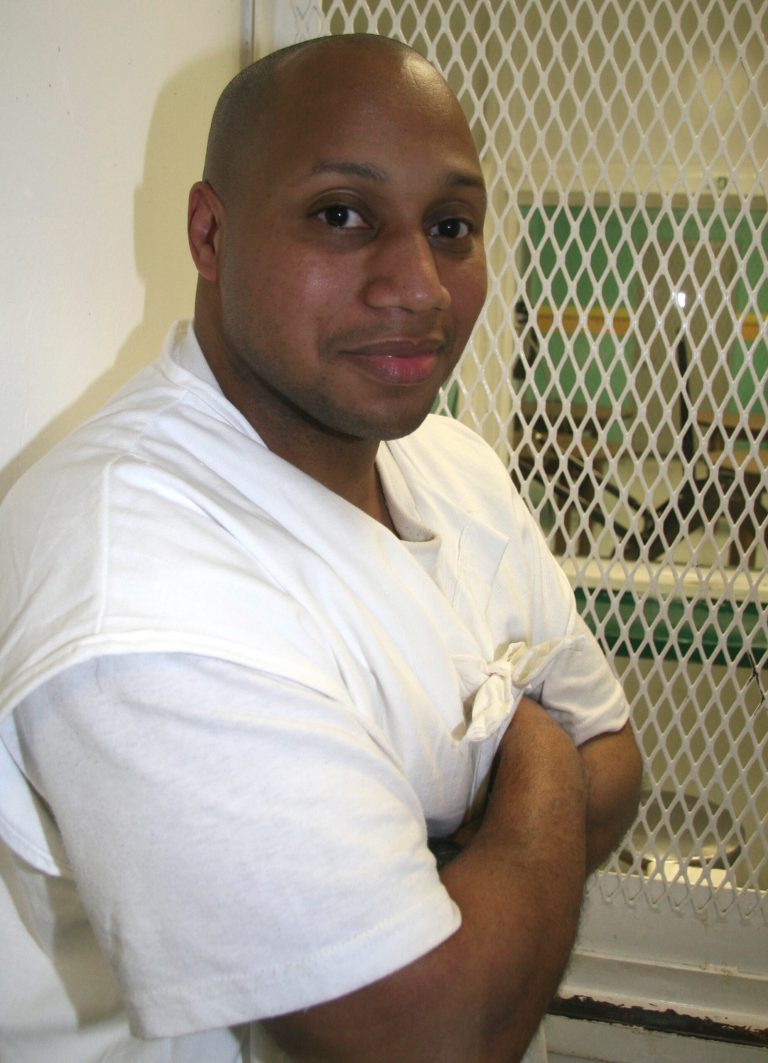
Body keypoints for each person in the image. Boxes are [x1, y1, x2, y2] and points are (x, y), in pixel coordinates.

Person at [0, 33, 642, 1063]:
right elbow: (433, 1034)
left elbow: (618, 760)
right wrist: (532, 744)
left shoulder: (453, 463)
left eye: (452, 226)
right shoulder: (131, 569)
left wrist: (479, 844)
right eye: (341, 215)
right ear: (211, 233)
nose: (421, 284)